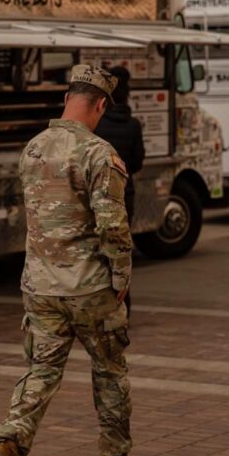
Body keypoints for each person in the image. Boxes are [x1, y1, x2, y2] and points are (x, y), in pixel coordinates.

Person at [0, 65, 145, 456]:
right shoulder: (99, 153)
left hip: (40, 284)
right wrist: (121, 278)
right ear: (99, 105)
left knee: (41, 371)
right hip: (89, 286)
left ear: (67, 98)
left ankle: (8, 443)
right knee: (109, 369)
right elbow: (114, 226)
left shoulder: (33, 148)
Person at [93, 65, 145, 313]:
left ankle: (101, 302)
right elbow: (137, 162)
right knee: (122, 249)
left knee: (99, 248)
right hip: (126, 193)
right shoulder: (133, 125)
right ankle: (124, 303)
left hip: (100, 193)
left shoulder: (98, 125)